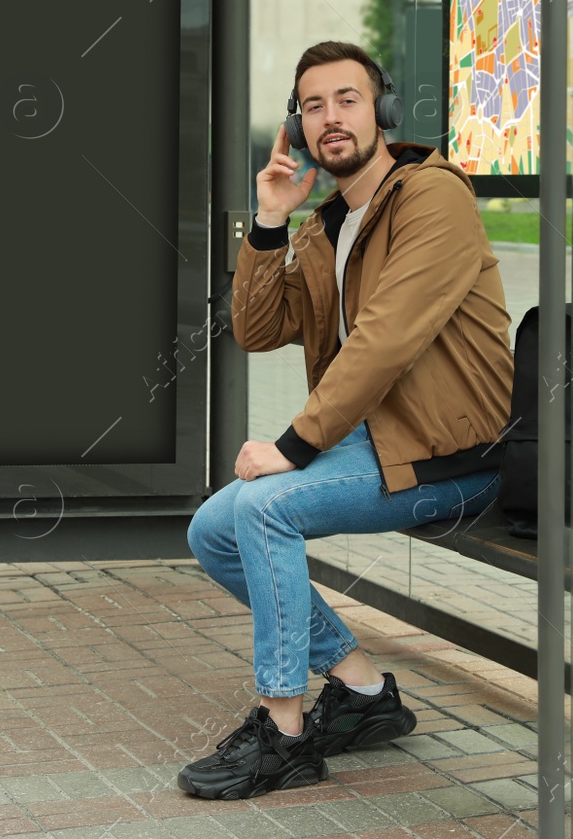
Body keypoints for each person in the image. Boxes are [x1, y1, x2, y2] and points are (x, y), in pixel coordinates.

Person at [177, 41, 516, 800]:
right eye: (313, 105)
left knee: (263, 508)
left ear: (383, 110)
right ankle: (364, 691)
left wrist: (295, 446)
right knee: (212, 529)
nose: (331, 117)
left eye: (347, 98)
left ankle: (284, 733)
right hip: (377, 445)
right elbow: (259, 328)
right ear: (298, 126)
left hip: (454, 457)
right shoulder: (327, 225)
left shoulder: (435, 197)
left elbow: (387, 337)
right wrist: (269, 221)